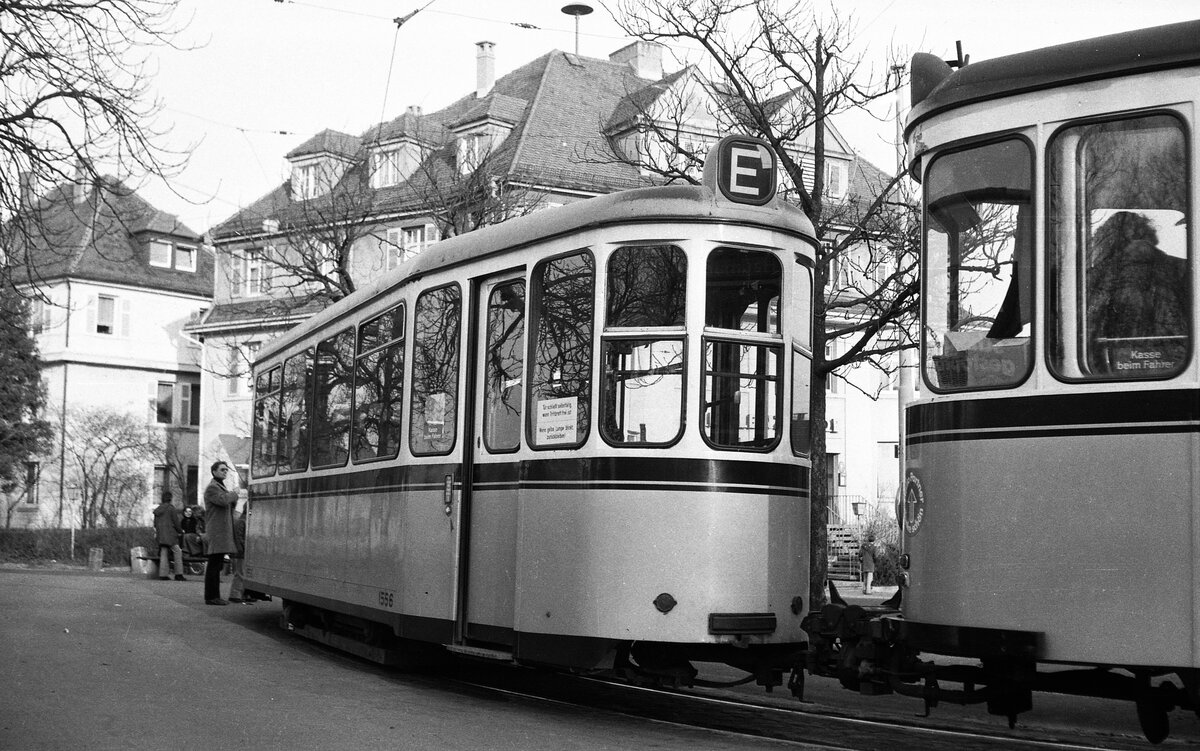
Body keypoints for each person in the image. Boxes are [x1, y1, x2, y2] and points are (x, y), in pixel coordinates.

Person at [202, 461, 239, 605]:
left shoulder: (220, 486)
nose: (225, 472)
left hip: (220, 531)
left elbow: (228, 503)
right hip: (216, 532)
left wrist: (232, 497)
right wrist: (234, 494)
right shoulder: (213, 487)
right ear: (214, 472)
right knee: (214, 565)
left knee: (216, 565)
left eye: (226, 470)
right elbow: (223, 500)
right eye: (222, 470)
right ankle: (211, 597)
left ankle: (213, 596)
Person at [152, 494, 186, 581]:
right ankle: (178, 574)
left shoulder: (157, 510)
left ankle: (163, 575)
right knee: (178, 552)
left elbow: (155, 524)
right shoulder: (171, 508)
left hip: (161, 536)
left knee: (164, 553)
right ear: (170, 499)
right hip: (170, 535)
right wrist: (180, 531)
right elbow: (176, 522)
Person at [227, 508, 251, 604]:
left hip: (239, 551)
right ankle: (235, 594)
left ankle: (238, 594)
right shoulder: (243, 522)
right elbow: (240, 538)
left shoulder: (241, 521)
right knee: (240, 573)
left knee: (240, 573)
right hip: (240, 552)